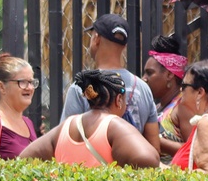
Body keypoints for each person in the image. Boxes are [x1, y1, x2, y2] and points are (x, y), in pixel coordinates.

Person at [61, 13, 160, 154]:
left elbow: (65, 142)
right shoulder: (142, 88)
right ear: (124, 46)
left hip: (94, 173)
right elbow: (154, 149)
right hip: (133, 172)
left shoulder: (80, 88)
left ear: (96, 39)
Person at [19, 70, 159, 168]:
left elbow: (24, 158)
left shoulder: (67, 125)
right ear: (119, 100)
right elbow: (149, 158)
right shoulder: (114, 125)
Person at [142, 35, 190, 162]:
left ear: (169, 75)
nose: (144, 79)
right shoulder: (157, 107)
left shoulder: (182, 108)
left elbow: (193, 151)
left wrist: (153, 139)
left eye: (149, 73)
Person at [0, 55, 38, 159]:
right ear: (1, 87)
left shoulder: (28, 123)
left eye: (31, 82)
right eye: (22, 82)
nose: (30, 88)